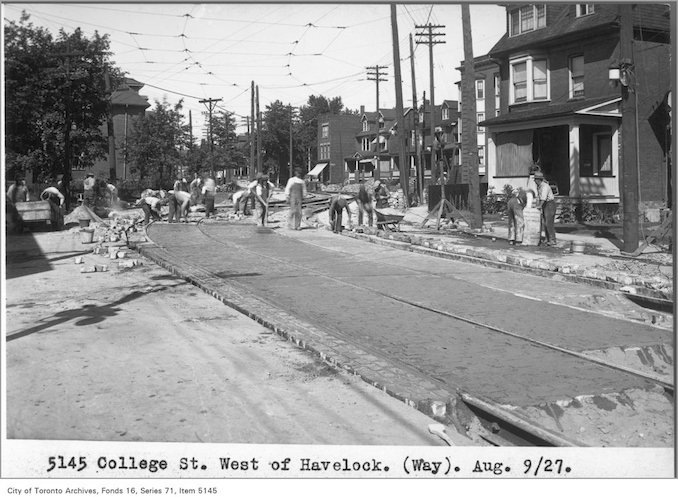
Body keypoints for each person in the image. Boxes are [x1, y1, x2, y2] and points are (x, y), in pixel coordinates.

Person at [534, 172, 557, 246]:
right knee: (545, 223)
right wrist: (537, 205)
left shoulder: (545, 186)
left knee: (548, 223)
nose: (534, 181)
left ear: (538, 180)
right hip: (545, 205)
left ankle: (553, 240)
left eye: (535, 180)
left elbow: (543, 198)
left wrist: (539, 206)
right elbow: (539, 197)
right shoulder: (539, 186)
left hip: (549, 204)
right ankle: (548, 239)